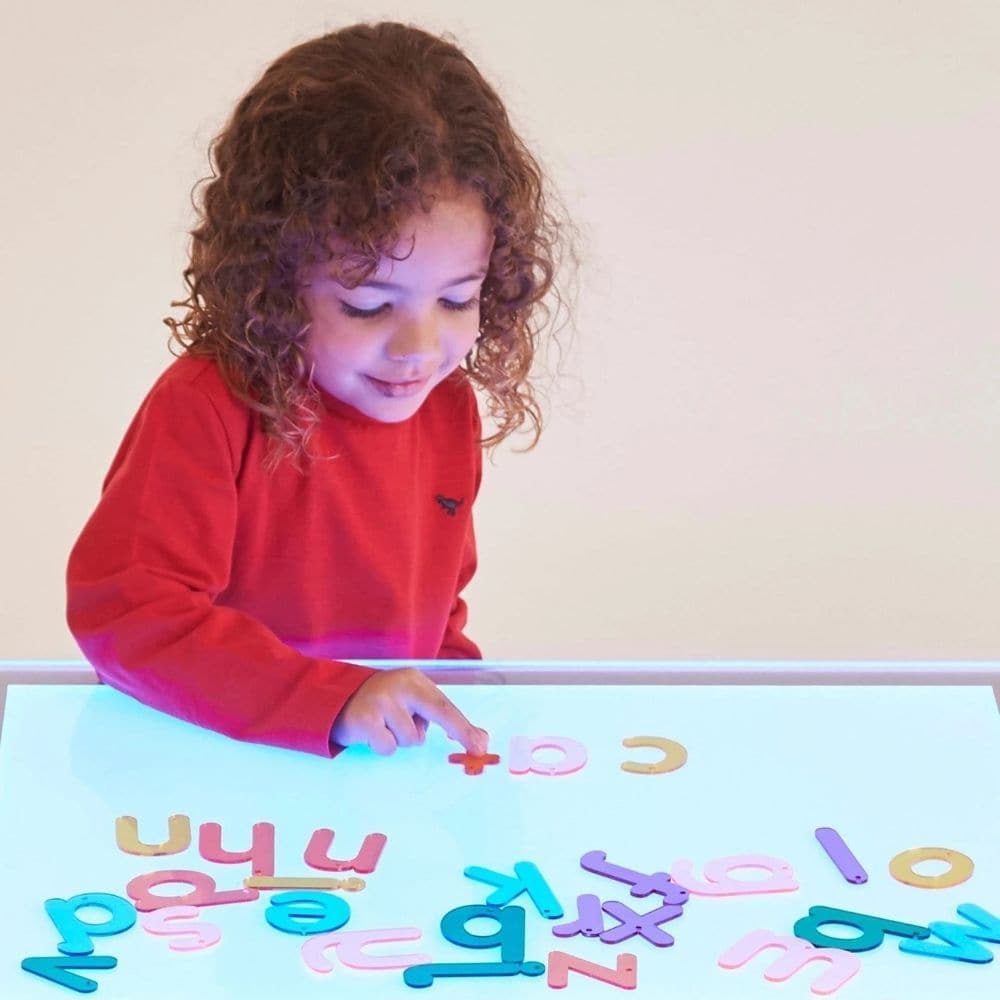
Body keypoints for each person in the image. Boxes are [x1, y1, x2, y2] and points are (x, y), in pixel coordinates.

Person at [65, 21, 580, 760]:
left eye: (458, 299)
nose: (419, 348)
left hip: (365, 775)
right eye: (368, 306)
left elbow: (433, 614)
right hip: (217, 770)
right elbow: (128, 611)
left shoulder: (445, 407)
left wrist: (456, 692)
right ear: (273, 279)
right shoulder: (207, 404)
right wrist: (330, 700)